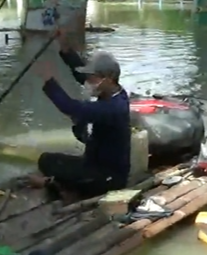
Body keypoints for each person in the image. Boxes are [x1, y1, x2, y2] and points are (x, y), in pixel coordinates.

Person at [29, 31, 131, 199]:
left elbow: (69, 106)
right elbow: (81, 74)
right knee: (46, 160)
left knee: (66, 171)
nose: (89, 82)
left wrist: (48, 79)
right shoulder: (109, 92)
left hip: (109, 177)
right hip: (93, 163)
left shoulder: (115, 107)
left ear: (109, 78)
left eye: (93, 78)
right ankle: (62, 183)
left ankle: (54, 185)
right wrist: (66, 49)